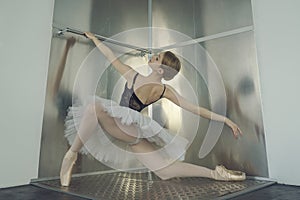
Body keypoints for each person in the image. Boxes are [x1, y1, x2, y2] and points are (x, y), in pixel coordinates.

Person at [60, 32, 246, 187]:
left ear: (161, 70)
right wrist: (95, 40)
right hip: (128, 130)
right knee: (165, 171)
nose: (153, 57)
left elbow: (196, 109)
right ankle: (216, 174)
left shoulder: (164, 90)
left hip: (129, 129)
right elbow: (111, 57)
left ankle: (71, 156)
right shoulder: (133, 76)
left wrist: (225, 120)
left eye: (157, 58)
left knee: (94, 107)